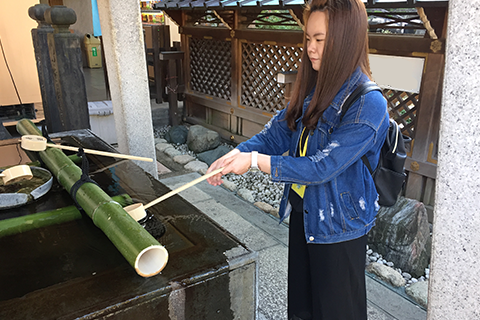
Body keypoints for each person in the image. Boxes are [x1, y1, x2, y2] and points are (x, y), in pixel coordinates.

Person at [206, 0, 389, 318]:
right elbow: (276, 134)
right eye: (308, 39)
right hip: (305, 216)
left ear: (345, 40)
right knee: (302, 309)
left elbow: (322, 167)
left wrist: (253, 162)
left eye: (320, 39)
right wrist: (236, 153)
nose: (310, 48)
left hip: (339, 228)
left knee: (336, 312)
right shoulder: (316, 88)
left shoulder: (368, 104)